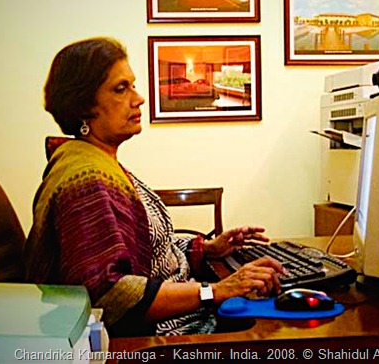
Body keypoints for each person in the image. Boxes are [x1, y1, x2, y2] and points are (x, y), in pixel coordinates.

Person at [24, 37, 284, 337]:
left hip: (183, 311)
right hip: (166, 335)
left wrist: (209, 248)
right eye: (121, 89)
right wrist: (215, 291)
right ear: (84, 106)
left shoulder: (98, 162)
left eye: (132, 85)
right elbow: (108, 294)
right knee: (289, 333)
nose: (139, 98)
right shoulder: (87, 182)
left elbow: (152, 251)